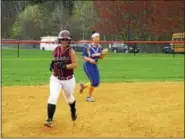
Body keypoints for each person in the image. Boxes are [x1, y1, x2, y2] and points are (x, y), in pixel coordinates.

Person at [44, 30, 78, 127]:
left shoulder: (71, 51)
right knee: (53, 97)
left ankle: (73, 110)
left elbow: (75, 64)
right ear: (59, 40)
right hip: (56, 79)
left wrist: (65, 66)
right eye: (62, 40)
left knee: (70, 99)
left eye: (66, 40)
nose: (64, 42)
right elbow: (54, 58)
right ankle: (49, 119)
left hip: (68, 79)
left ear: (69, 41)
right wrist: (52, 63)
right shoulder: (56, 49)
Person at [79, 31, 104, 102]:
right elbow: (83, 57)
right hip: (87, 65)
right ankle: (89, 97)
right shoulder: (88, 47)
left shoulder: (99, 47)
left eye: (99, 37)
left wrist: (102, 55)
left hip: (94, 65)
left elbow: (100, 57)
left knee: (97, 83)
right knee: (93, 82)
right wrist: (90, 60)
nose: (98, 38)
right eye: (96, 37)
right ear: (93, 38)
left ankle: (83, 86)